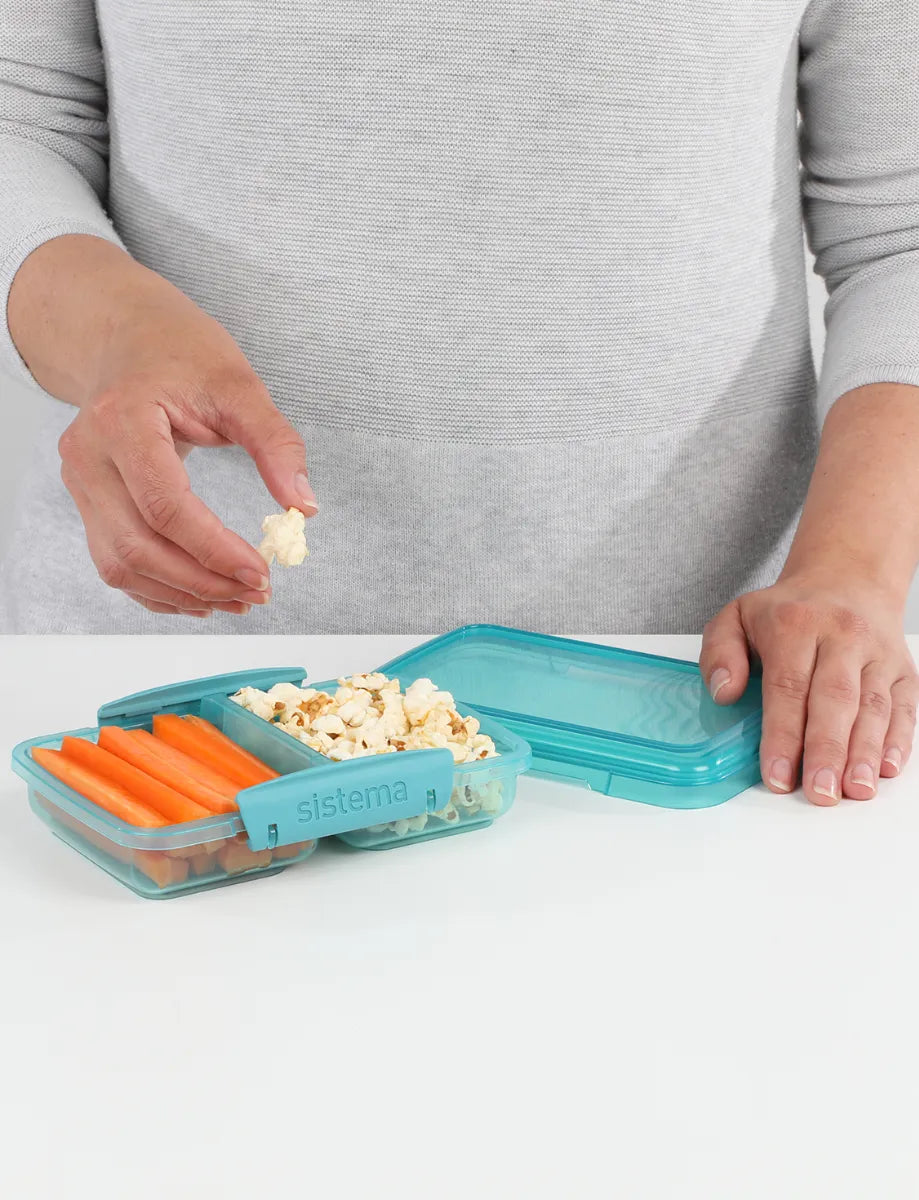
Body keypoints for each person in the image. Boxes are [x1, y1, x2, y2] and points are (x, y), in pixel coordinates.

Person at [1, 1, 917, 808]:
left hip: (703, 710)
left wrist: (850, 571)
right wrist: (117, 335)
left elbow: (899, 233)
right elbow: (20, 120)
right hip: (157, 705)